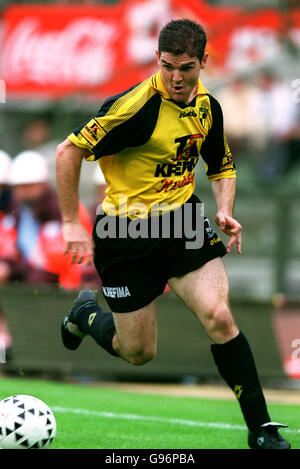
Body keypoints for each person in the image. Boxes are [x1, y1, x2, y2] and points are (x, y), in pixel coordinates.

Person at [56, 19, 290, 449]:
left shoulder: (207, 106)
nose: (176, 77)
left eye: (186, 67)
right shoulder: (132, 109)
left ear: (204, 61)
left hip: (181, 222)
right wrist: (71, 221)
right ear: (156, 60)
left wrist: (223, 208)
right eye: (167, 67)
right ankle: (85, 315)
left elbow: (220, 165)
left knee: (219, 317)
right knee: (139, 353)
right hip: (123, 232)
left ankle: (261, 429)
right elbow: (68, 151)